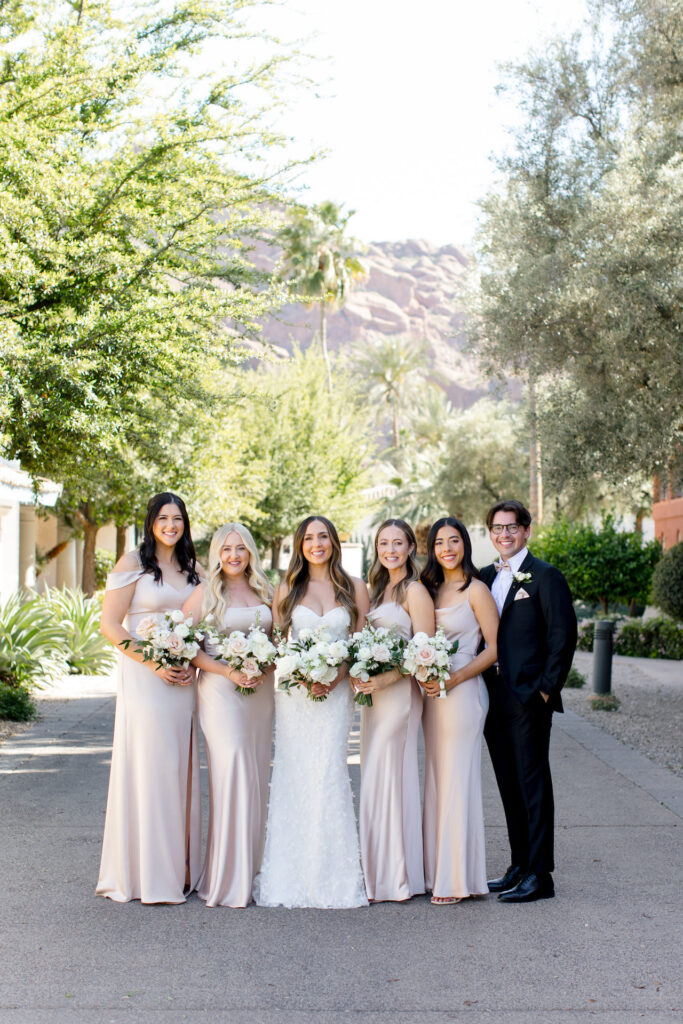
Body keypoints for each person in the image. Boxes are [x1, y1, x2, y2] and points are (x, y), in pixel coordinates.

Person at [253, 515, 370, 909]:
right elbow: (276, 643)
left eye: (323, 537)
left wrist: (337, 675)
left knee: (328, 772)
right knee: (295, 774)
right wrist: (301, 675)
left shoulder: (354, 587)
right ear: (299, 544)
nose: (316, 544)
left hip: (336, 696)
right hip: (296, 697)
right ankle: (290, 876)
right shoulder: (288, 587)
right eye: (309, 538)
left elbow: (360, 644)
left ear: (334, 542)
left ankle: (333, 878)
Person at [97, 492, 202, 904]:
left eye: (177, 519)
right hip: (145, 677)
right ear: (151, 522)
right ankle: (146, 875)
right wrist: (155, 663)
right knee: (150, 767)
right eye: (163, 518)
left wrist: (192, 661)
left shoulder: (192, 569)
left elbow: (202, 623)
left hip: (183, 680)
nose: (171, 526)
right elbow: (110, 625)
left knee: (176, 767)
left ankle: (176, 869)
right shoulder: (133, 564)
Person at [480, 499, 577, 903]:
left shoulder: (545, 577)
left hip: (528, 698)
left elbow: (563, 637)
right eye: (497, 529)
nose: (505, 534)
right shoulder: (484, 577)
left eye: (512, 527)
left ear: (526, 531)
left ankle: (541, 875)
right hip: (492, 697)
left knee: (533, 784)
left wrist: (544, 689)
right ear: (490, 534)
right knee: (507, 784)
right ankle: (519, 864)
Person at [182, 523, 274, 908]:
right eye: (226, 549)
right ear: (217, 554)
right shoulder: (205, 593)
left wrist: (264, 667)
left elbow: (279, 640)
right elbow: (185, 646)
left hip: (259, 692)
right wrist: (227, 670)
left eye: (241, 549)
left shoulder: (266, 591)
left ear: (250, 552)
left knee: (256, 774)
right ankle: (226, 878)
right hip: (220, 691)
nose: (234, 556)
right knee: (233, 770)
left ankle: (253, 871)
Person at [354, 519, 435, 902]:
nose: (390, 550)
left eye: (397, 543)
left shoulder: (415, 591)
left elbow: (425, 651)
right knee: (374, 776)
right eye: (383, 543)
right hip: (374, 697)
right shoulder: (375, 589)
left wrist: (387, 679)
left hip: (399, 695)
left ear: (409, 548)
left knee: (389, 777)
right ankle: (376, 871)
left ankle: (395, 877)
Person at [420, 517, 499, 904]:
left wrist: (454, 679)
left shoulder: (477, 590)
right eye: (439, 542)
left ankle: (456, 880)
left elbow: (495, 649)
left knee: (456, 780)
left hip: (464, 692)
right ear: (432, 549)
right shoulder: (428, 589)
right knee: (437, 779)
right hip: (432, 696)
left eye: (454, 541)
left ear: (465, 544)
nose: (447, 548)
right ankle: (438, 869)